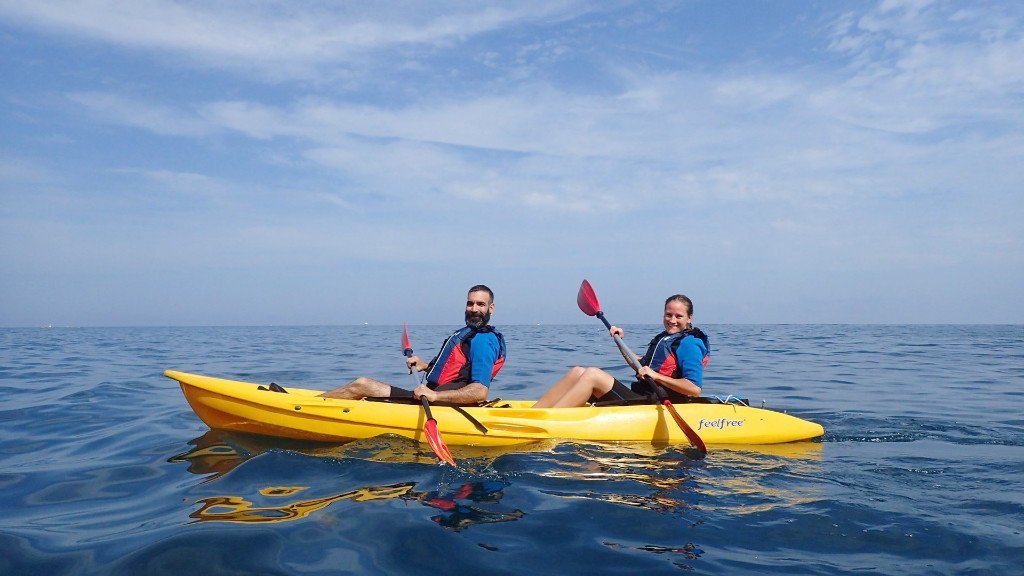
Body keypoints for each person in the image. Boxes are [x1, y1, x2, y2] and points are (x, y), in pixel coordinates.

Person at [319, 285, 505, 404]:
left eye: (480, 304)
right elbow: (458, 372)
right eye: (470, 303)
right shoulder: (470, 335)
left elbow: (480, 391)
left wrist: (436, 396)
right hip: (431, 398)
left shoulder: (483, 341)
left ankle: (303, 408)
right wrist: (425, 366)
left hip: (441, 405)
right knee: (365, 392)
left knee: (361, 385)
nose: (474, 309)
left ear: (491, 308)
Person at [532, 294, 708, 408]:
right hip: (641, 397)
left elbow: (694, 389)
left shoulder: (689, 344)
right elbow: (640, 366)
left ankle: (548, 422)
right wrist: (620, 342)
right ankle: (536, 413)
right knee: (578, 371)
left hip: (654, 405)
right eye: (668, 315)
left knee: (593, 374)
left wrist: (656, 376)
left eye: (679, 316)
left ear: (689, 317)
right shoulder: (665, 338)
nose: (672, 320)